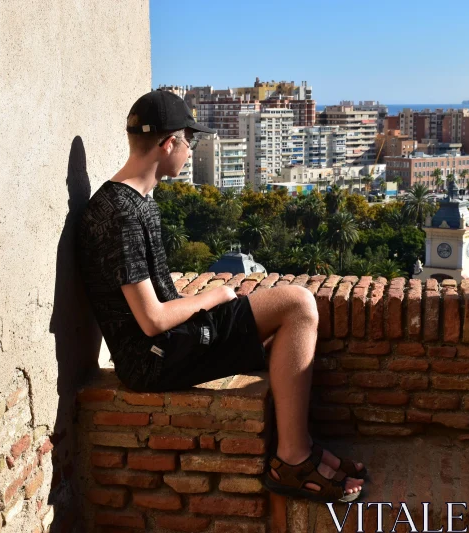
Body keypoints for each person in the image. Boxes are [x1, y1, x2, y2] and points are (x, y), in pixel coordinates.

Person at [76, 90, 365, 503]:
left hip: (165, 346)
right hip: (153, 357)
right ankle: (293, 459)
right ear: (168, 143)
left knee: (277, 324)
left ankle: (301, 445)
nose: (191, 150)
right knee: (298, 304)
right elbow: (152, 320)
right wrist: (212, 297)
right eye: (189, 140)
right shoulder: (120, 214)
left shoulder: (132, 201)